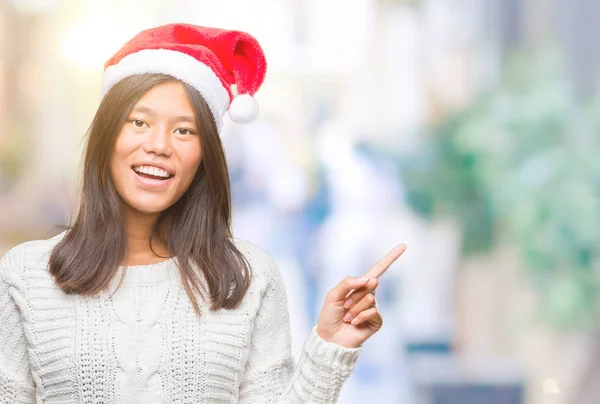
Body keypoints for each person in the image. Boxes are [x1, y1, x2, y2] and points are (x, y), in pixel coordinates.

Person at [0, 23, 405, 403]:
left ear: (205, 155)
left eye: (184, 130)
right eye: (139, 122)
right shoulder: (26, 274)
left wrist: (331, 346)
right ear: (107, 137)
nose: (159, 145)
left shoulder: (249, 277)